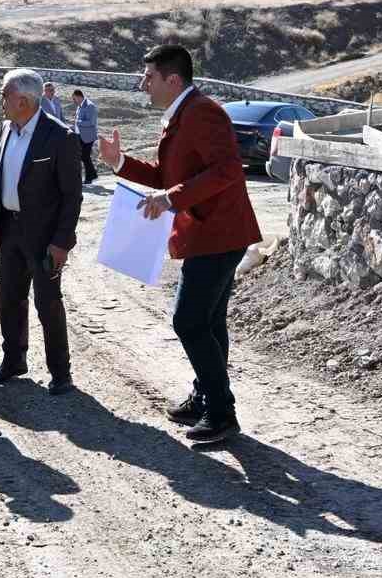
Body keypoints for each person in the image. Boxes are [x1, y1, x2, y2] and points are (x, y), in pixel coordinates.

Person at [98, 44, 261, 445]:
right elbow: (165, 175)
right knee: (209, 322)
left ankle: (221, 413)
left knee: (188, 321)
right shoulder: (181, 113)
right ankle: (206, 397)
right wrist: (120, 163)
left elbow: (226, 170)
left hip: (219, 235)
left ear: (172, 80)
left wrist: (171, 199)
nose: (143, 85)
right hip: (212, 236)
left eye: (149, 78)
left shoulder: (202, 112)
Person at [0, 68, 83, 395]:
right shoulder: (7, 130)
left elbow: (72, 196)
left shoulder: (60, 137)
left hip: (44, 237)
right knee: (9, 298)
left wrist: (61, 243)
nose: (0, 100)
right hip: (10, 230)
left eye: (4, 94)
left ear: (23, 101)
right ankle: (14, 360)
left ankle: (61, 373)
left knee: (48, 303)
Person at [71, 89, 99, 183]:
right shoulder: (79, 106)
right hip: (80, 136)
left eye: (74, 99)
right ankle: (93, 175)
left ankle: (89, 178)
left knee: (85, 156)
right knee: (83, 156)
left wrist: (78, 122)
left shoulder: (90, 106)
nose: (74, 101)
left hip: (88, 136)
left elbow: (91, 122)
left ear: (79, 96)